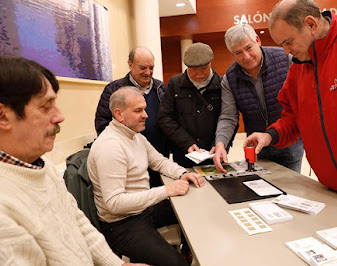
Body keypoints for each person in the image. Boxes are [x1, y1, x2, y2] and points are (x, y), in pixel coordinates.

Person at [244, 0, 337, 214]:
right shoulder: (298, 70)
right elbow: (293, 118)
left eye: (288, 42)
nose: (287, 51)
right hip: (333, 192)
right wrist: (270, 136)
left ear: (311, 25)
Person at [0, 56, 143, 266]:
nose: (60, 116)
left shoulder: (41, 165)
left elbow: (76, 221)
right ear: (3, 116)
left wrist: (117, 264)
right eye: (46, 106)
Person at [88, 86, 205, 266]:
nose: (146, 115)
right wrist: (166, 190)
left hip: (143, 210)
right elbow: (114, 204)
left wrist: (182, 173)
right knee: (175, 263)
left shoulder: (135, 136)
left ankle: (189, 251)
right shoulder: (110, 147)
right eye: (138, 111)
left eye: (144, 109)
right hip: (122, 224)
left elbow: (160, 162)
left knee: (196, 208)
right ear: (119, 115)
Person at [211, 23, 304, 173]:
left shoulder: (286, 59)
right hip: (256, 148)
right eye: (238, 52)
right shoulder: (230, 78)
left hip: (290, 145)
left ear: (257, 40)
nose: (246, 57)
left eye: (248, 48)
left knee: (291, 193)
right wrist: (221, 143)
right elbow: (228, 116)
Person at [95, 47, 167, 188]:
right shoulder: (113, 90)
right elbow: (102, 124)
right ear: (130, 65)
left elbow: (170, 121)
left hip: (157, 157)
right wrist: (125, 151)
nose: (148, 72)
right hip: (128, 163)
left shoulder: (162, 89)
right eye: (142, 67)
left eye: (151, 67)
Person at [158, 42, 222, 167]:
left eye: (204, 68)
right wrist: (186, 142)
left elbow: (229, 118)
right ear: (186, 66)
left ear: (210, 63)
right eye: (193, 69)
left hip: (215, 152)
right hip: (183, 152)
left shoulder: (222, 84)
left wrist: (219, 143)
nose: (199, 74)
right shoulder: (175, 83)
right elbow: (165, 117)